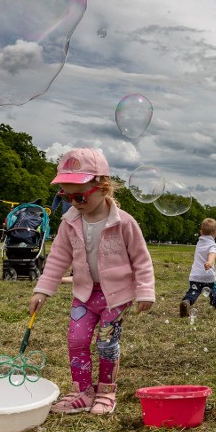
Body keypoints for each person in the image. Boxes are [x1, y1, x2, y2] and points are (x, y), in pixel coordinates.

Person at [29, 148, 155, 415]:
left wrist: (145, 291)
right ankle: (82, 391)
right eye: (66, 195)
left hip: (115, 296)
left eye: (80, 195)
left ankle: (106, 392)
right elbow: (58, 259)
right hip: (84, 295)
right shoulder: (69, 222)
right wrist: (43, 289)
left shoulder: (124, 223)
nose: (74, 202)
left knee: (106, 343)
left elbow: (141, 259)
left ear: (103, 187)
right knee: (76, 340)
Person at [179, 218, 216, 317]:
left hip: (195, 275)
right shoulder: (213, 245)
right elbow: (212, 253)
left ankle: (186, 301)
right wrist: (210, 262)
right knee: (213, 291)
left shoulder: (199, 243)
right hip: (208, 275)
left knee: (193, 292)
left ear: (200, 232)